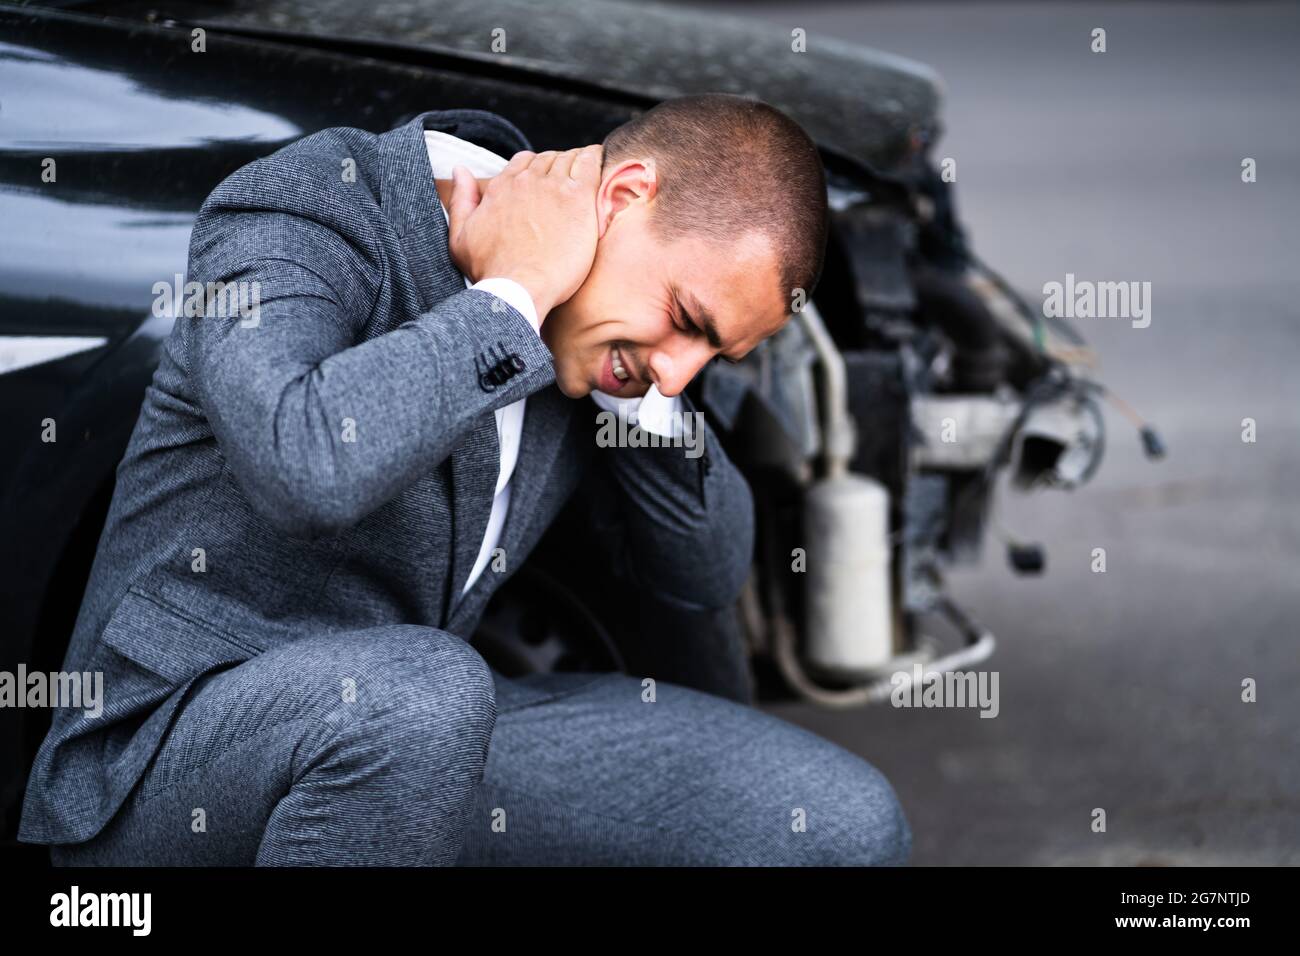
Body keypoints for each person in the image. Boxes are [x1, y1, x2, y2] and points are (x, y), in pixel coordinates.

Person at [21, 93, 911, 865]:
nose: (681, 370)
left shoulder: (607, 342)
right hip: (163, 762)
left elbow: (707, 570)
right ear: (627, 195)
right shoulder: (315, 206)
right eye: (687, 320)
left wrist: (641, 395)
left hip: (410, 748)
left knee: (838, 821)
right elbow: (302, 462)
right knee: (427, 693)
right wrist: (513, 294)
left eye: (716, 351)